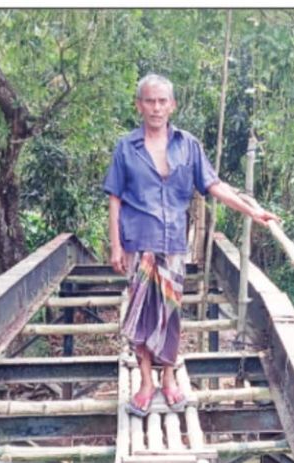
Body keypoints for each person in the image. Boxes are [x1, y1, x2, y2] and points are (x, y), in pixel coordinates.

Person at [104, 73, 278, 417]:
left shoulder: (188, 145)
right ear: (139, 105)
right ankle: (146, 382)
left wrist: (252, 211)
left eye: (162, 101)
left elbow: (214, 185)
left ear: (172, 105)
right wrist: (115, 246)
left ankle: (169, 378)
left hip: (172, 243)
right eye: (150, 101)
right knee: (140, 315)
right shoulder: (126, 147)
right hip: (138, 241)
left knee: (170, 313)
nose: (156, 108)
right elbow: (114, 198)